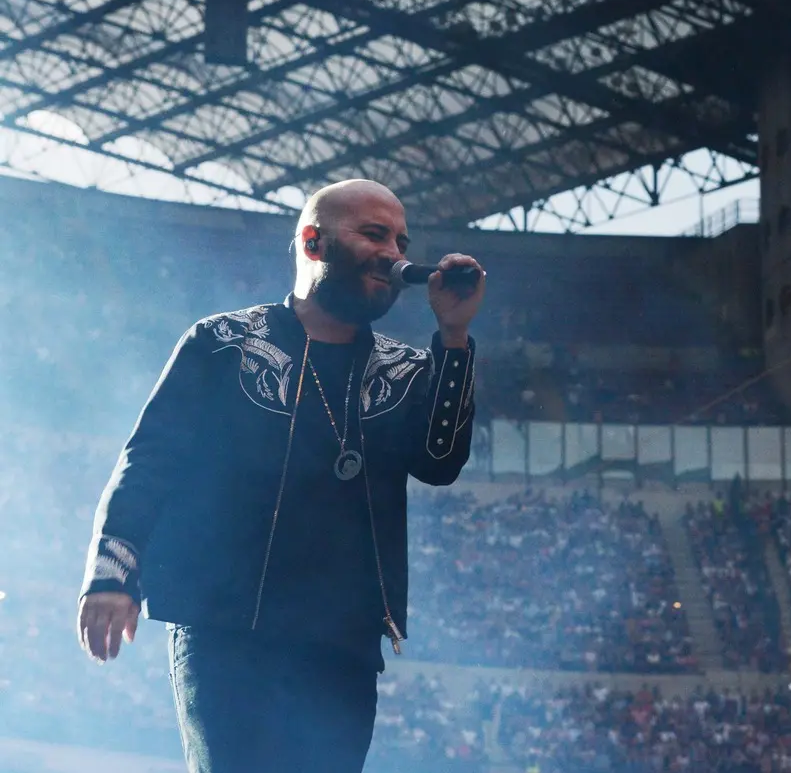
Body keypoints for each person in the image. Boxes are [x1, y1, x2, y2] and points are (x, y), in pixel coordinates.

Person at [75, 179, 485, 773]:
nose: (396, 253)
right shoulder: (222, 343)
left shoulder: (407, 369)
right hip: (225, 629)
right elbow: (151, 459)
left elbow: (440, 462)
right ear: (313, 242)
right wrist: (113, 573)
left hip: (343, 643)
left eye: (400, 239)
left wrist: (453, 336)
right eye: (374, 234)